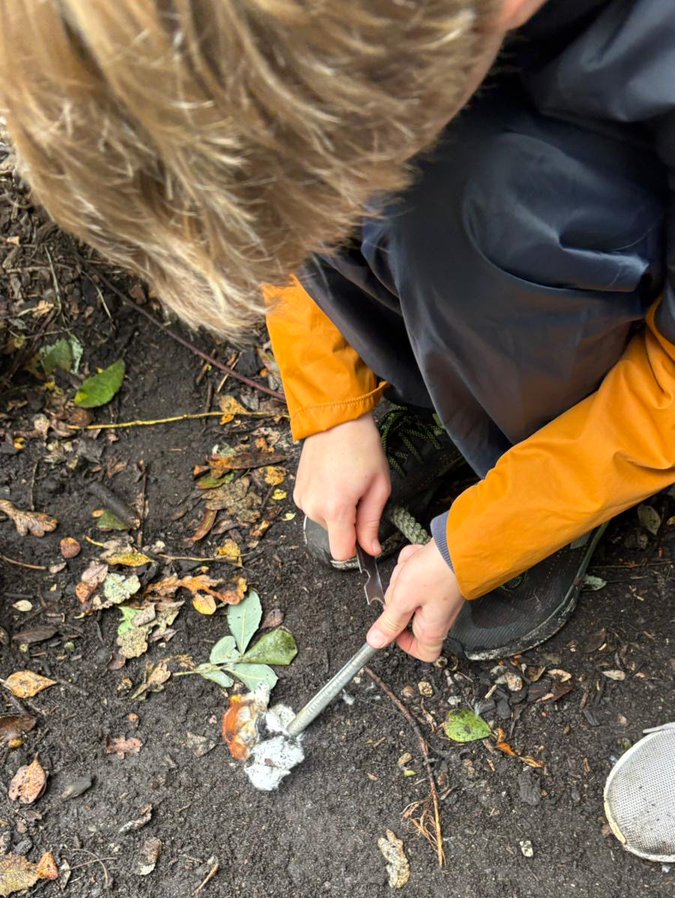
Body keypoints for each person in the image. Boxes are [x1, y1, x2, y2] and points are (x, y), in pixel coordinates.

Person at [1, 0, 673, 663]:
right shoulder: (338, 37)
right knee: (373, 179)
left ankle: (542, 444)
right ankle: (458, 390)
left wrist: (499, 531)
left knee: (486, 202)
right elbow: (278, 196)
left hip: (593, 230)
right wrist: (331, 408)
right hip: (474, 95)